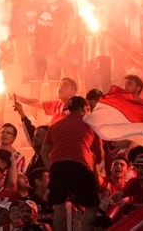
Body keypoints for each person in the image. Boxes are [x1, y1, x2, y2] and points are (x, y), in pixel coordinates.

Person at [41, 96, 102, 231]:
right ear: (85, 108)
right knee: (91, 206)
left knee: (59, 206)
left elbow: (44, 152)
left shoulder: (56, 125)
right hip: (79, 164)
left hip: (57, 167)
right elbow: (99, 155)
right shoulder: (91, 123)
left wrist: (51, 169)